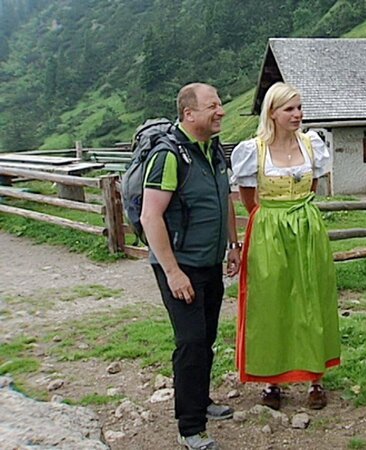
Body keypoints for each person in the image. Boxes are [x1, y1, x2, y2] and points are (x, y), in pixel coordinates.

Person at [140, 82, 241, 450]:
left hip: (210, 262)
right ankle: (190, 428)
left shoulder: (212, 150)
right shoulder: (168, 156)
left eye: (220, 103)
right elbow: (151, 217)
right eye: (213, 105)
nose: (221, 111)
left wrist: (233, 245)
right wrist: (172, 272)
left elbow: (224, 199)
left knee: (207, 338)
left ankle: (201, 402)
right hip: (180, 266)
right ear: (189, 114)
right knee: (191, 343)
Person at [230, 82, 340, 412]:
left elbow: (313, 187)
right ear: (272, 113)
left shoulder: (312, 145)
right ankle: (271, 380)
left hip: (307, 228)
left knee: (312, 298)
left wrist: (296, 214)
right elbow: (250, 199)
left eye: (299, 108)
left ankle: (315, 378)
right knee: (271, 301)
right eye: (289, 109)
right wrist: (273, 219)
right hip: (269, 230)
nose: (297, 114)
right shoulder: (254, 150)